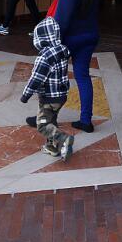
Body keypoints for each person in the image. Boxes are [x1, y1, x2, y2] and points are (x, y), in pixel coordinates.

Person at [52, 0, 101, 133]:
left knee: (57, 78)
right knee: (82, 76)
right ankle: (85, 120)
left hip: (70, 36)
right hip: (89, 34)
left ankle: (49, 117)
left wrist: (56, 37)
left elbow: (64, 11)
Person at [19, 16, 74, 161]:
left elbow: (36, 79)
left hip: (49, 97)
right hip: (61, 95)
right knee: (52, 121)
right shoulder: (63, 50)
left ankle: (63, 139)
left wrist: (25, 95)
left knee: (43, 125)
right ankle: (52, 147)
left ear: (41, 37)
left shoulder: (44, 57)